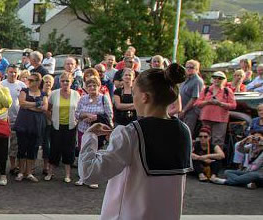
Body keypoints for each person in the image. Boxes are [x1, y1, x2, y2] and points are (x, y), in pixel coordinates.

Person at [78, 63, 192, 220]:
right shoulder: (184, 131)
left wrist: (89, 136)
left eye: (134, 93)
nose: (133, 98)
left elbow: (90, 173)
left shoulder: (131, 133)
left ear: (145, 97)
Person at [74, 74, 113, 188]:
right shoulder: (83, 98)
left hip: (98, 132)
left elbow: (109, 114)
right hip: (84, 129)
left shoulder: (103, 98)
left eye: (94, 85)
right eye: (89, 86)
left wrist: (96, 117)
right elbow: (77, 114)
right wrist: (85, 115)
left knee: (95, 153)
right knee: (83, 153)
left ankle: (94, 178)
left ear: (99, 86)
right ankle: (82, 176)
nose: (92, 88)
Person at [13, 73, 47, 182]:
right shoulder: (24, 90)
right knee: (22, 148)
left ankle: (29, 172)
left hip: (36, 124)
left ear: (38, 82)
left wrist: (29, 106)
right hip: (23, 123)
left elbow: (44, 108)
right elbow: (22, 103)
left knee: (33, 148)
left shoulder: (43, 93)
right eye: (29, 80)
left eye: (32, 80)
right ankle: (21, 172)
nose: (29, 82)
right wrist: (36, 104)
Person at [46, 74, 80, 183]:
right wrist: (51, 119)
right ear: (60, 82)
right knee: (54, 149)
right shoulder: (54, 94)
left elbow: (79, 110)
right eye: (63, 81)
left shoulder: (76, 94)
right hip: (56, 126)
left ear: (71, 82)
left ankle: (67, 174)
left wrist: (77, 121)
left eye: (67, 81)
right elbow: (48, 109)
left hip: (71, 126)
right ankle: (50, 172)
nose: (65, 83)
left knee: (69, 149)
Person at [194, 71, 236, 148]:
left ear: (224, 80)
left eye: (220, 78)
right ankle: (204, 156)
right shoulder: (206, 89)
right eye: (215, 77)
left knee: (218, 141)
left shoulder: (227, 91)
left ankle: (217, 158)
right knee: (204, 139)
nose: (217, 79)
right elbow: (197, 103)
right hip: (206, 118)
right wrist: (208, 102)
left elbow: (233, 105)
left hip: (220, 119)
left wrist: (220, 104)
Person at [178, 60, 204, 135]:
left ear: (197, 69)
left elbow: (194, 98)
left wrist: (184, 110)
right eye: (187, 67)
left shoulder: (197, 81)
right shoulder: (185, 80)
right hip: (181, 111)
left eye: (191, 67)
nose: (188, 69)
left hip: (191, 113)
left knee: (187, 133)